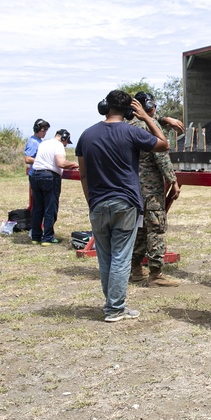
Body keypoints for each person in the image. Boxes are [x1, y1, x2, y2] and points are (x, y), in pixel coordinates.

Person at [76, 90, 168, 322]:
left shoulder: (86, 135)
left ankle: (112, 304)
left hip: (97, 203)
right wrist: (148, 118)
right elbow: (163, 144)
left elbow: (84, 175)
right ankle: (115, 308)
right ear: (130, 110)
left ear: (105, 106)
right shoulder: (132, 131)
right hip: (125, 203)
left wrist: (91, 201)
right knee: (120, 257)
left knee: (105, 257)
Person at [129, 92, 183, 286]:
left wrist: (163, 119)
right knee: (156, 228)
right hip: (151, 188)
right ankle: (155, 273)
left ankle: (135, 268)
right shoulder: (150, 126)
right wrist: (173, 181)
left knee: (141, 227)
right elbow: (162, 156)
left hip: (133, 188)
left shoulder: (129, 126)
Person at [29, 129, 78, 246]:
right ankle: (47, 238)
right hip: (49, 177)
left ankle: (35, 237)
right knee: (50, 208)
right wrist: (76, 164)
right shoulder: (58, 145)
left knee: (37, 207)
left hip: (36, 175)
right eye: (66, 142)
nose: (65, 145)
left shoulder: (43, 143)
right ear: (64, 138)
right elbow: (61, 163)